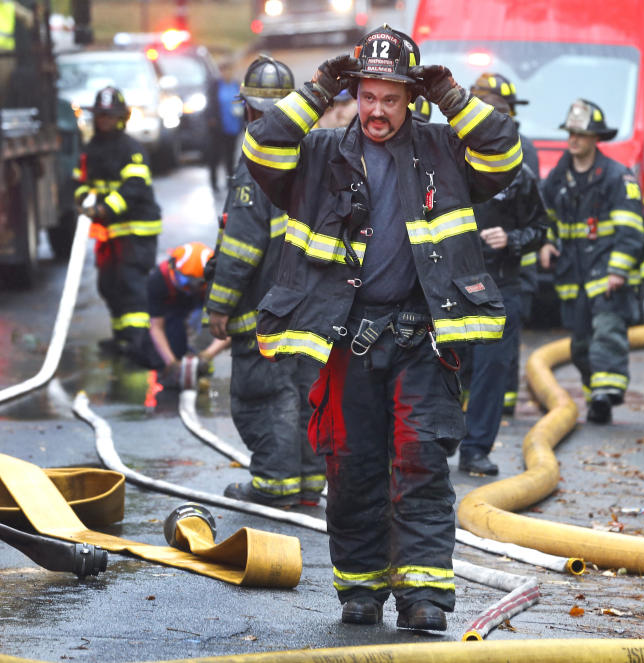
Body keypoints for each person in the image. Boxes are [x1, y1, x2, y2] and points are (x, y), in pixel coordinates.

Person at [241, 24, 521, 631]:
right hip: (348, 340)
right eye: (367, 95)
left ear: (410, 100)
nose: (376, 110)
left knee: (421, 460)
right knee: (351, 466)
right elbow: (261, 148)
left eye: (390, 98)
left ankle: (423, 597)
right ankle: (361, 591)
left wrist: (452, 96)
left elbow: (504, 155)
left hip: (423, 337)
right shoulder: (317, 156)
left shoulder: (445, 149)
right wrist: (317, 89)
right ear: (355, 94)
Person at [205, 55, 326, 508]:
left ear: (250, 110)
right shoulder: (318, 152)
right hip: (313, 305)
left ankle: (275, 485)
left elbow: (241, 244)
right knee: (305, 391)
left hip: (264, 306)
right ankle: (308, 485)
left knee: (264, 394)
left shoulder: (256, 158)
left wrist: (219, 305)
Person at [456, 76, 549, 475]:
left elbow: (540, 229)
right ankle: (436, 444)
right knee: (449, 366)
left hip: (500, 283)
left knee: (493, 370)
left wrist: (510, 239)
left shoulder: (520, 172)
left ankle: (476, 449)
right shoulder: (447, 160)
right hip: (451, 282)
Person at [539, 99, 644, 424]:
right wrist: (546, 242)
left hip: (606, 273)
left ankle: (606, 394)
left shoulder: (617, 177)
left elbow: (632, 230)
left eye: (582, 134)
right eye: (571, 132)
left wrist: (618, 269)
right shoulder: (559, 177)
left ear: (596, 138)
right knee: (580, 347)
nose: (574, 139)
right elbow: (545, 216)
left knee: (607, 332)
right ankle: (595, 393)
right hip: (574, 276)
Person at [468, 72, 539, 415]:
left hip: (503, 273)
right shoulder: (452, 150)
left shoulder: (522, 154)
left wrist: (512, 241)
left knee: (496, 358)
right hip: (458, 275)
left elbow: (536, 221)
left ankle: (495, 414)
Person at [74, 86, 162, 362]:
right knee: (109, 285)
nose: (104, 121)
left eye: (110, 116)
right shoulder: (91, 149)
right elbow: (79, 184)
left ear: (121, 118)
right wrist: (84, 203)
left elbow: (134, 188)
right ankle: (122, 338)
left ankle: (138, 344)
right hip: (110, 233)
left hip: (136, 232)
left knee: (131, 286)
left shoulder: (131, 149)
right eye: (101, 116)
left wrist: (103, 209)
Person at [141, 241, 228, 382]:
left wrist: (208, 355)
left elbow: (231, 326)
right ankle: (172, 368)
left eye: (197, 283)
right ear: (172, 268)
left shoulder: (220, 283)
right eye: (185, 281)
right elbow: (156, 327)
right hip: (173, 308)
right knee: (165, 337)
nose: (190, 288)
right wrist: (172, 363)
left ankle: (202, 368)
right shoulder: (159, 279)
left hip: (204, 304)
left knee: (208, 325)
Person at [207, 59, 243, 192]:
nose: (227, 73)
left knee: (230, 156)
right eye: (224, 71)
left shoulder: (236, 85)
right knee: (215, 155)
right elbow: (211, 104)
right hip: (218, 127)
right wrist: (211, 119)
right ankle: (214, 182)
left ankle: (230, 181)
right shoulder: (215, 86)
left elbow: (243, 101)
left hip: (233, 125)